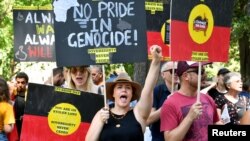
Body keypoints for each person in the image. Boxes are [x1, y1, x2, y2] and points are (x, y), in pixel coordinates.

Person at [85, 45, 162, 141]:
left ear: (132, 94)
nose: (124, 90)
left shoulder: (138, 113)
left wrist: (156, 62)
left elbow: (148, 88)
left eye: (128, 88)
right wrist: (100, 121)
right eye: (119, 87)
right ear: (113, 93)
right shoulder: (102, 114)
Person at [160, 61, 221, 141]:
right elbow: (170, 139)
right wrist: (190, 117)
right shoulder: (170, 103)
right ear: (186, 76)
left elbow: (215, 123)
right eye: (200, 72)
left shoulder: (207, 98)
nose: (205, 75)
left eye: (204, 71)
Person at [147, 61, 179, 141]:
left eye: (178, 71)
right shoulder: (157, 91)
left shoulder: (184, 90)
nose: (176, 73)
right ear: (163, 75)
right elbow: (149, 119)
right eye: (172, 71)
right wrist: (166, 105)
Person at [13, 72, 29, 139]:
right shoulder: (12, 93)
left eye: (22, 82)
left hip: (25, 125)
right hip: (13, 125)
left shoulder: (29, 95)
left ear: (26, 83)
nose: (20, 84)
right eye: (18, 82)